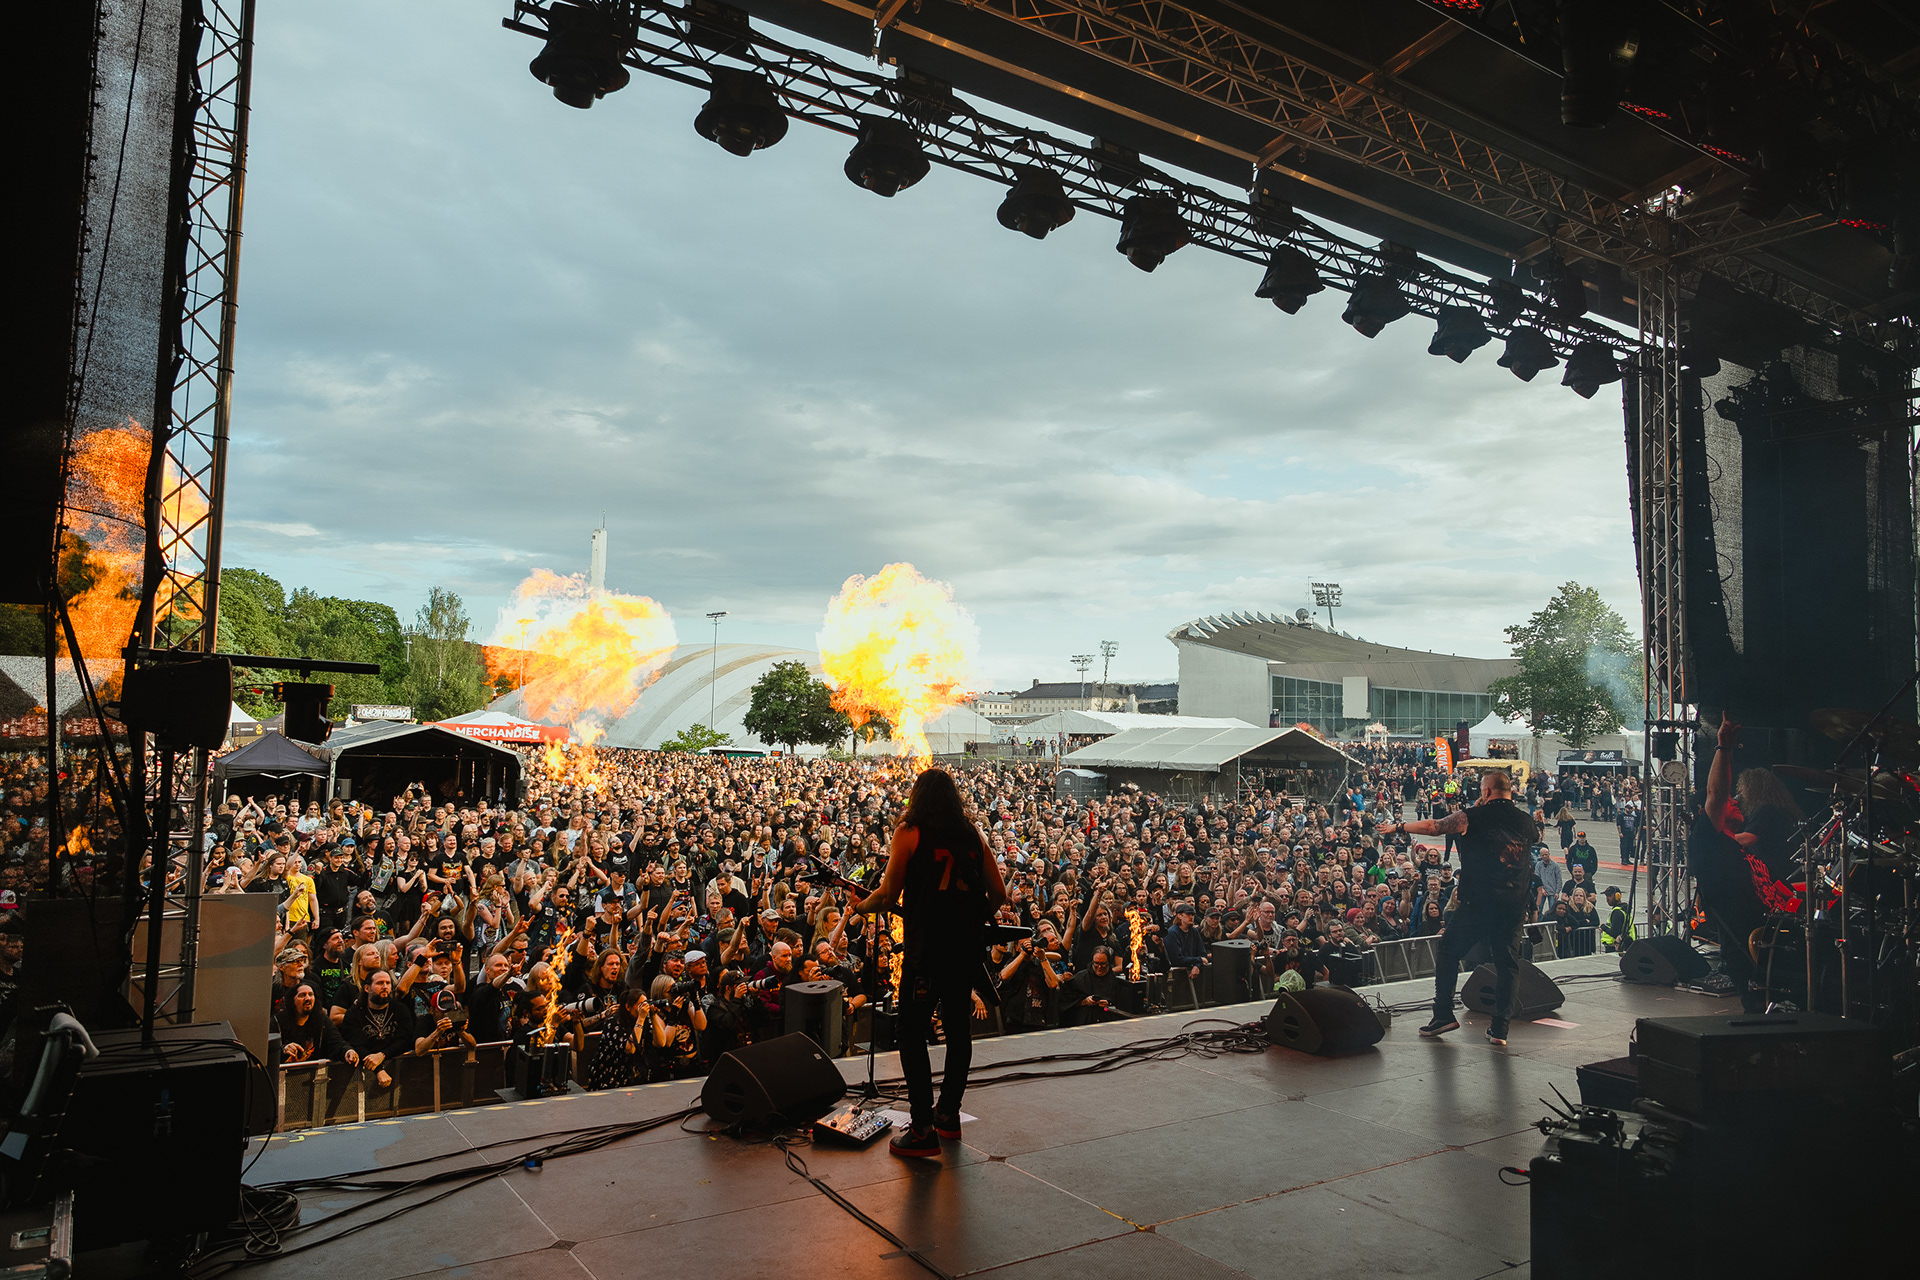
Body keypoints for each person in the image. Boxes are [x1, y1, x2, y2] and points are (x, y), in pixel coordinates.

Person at [853, 767, 1008, 1161]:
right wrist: (970, 919)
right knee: (958, 1030)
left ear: (918, 797)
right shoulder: (973, 834)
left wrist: (861, 905)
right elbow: (999, 892)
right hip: (964, 950)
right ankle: (948, 1115)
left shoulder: (910, 832)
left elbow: (888, 895)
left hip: (927, 951)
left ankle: (921, 1127)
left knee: (910, 1032)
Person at [1381, 768, 1539, 1046]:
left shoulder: (1472, 817)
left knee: (1448, 950)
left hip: (1479, 902)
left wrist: (1399, 827)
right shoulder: (1525, 821)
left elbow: (1434, 827)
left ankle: (1443, 1014)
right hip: (1514, 905)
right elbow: (1533, 837)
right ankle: (1500, 1030)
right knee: (1507, 964)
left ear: (1486, 791)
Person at [1697, 717, 1803, 1013]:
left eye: (1738, 797)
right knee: (1760, 1010)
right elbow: (1716, 795)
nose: (1736, 800)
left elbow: (1773, 888)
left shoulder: (1746, 853)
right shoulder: (1711, 842)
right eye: (1731, 800)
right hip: (1748, 943)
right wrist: (1723, 749)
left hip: (1773, 933)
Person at [1600, 885, 1635, 952]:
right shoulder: (1624, 909)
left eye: (1609, 896)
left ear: (1617, 896)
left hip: (1615, 946)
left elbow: (1615, 932)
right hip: (1623, 944)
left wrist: (1603, 927)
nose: (1607, 899)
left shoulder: (1617, 912)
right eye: (1606, 896)